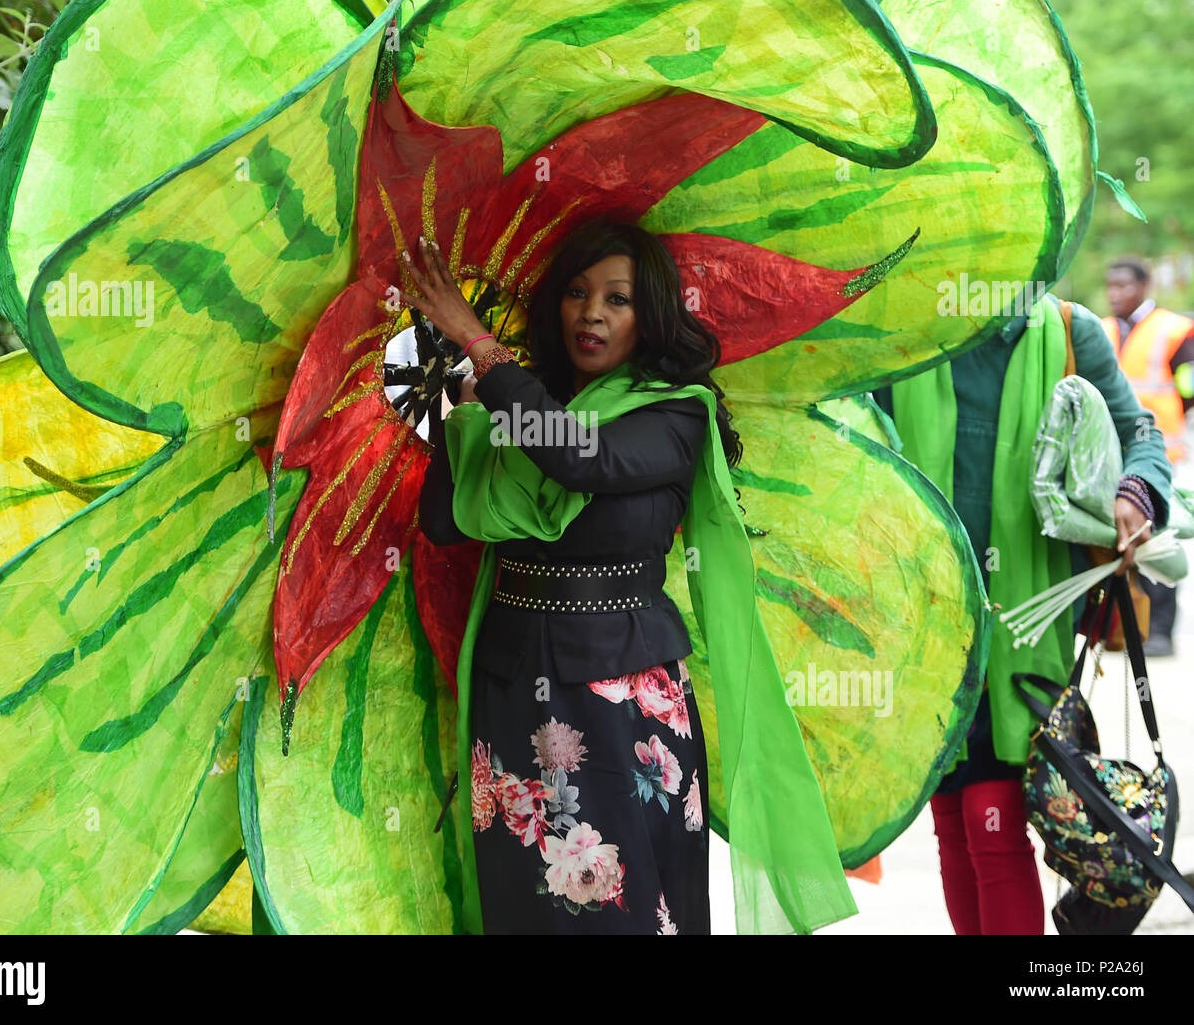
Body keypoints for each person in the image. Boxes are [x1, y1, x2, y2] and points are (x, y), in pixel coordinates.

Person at [409, 216, 853, 934]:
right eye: (578, 293)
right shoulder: (524, 410)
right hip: (514, 685)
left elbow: (582, 459)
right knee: (528, 909)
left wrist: (481, 347)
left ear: (649, 317)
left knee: (628, 910)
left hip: (620, 700)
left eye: (617, 299)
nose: (592, 312)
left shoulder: (674, 414)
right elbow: (443, 522)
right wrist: (458, 418)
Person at [875, 291, 1171, 935]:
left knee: (994, 820)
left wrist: (1136, 490)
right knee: (952, 819)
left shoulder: (1067, 331)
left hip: (1023, 624)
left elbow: (1140, 432)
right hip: (924, 619)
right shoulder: (906, 331)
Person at [1101, 256, 1194, 656]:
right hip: (1112, 453)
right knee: (1117, 539)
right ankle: (1121, 627)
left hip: (1163, 454)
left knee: (1156, 538)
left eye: (1123, 286)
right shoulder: (1101, 329)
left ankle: (1158, 631)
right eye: (1110, 286)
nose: (1114, 294)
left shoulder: (1174, 330)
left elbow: (1189, 386)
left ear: (1143, 286)